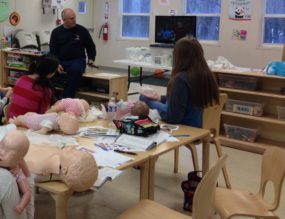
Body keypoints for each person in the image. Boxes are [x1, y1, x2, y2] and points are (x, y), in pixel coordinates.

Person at [139, 37, 219, 128]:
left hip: (187, 128)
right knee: (152, 100)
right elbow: (186, 100)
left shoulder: (180, 79)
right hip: (203, 128)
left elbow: (172, 117)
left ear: (179, 57)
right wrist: (160, 98)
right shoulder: (207, 75)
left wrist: (148, 101)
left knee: (143, 98)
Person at [49, 8, 97, 98]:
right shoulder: (56, 32)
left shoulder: (82, 31)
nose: (74, 20)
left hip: (77, 60)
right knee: (46, 70)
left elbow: (91, 46)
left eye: (74, 18)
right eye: (71, 18)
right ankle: (54, 97)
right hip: (61, 60)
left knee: (75, 70)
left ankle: (66, 99)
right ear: (64, 20)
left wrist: (91, 58)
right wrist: (57, 63)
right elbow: (53, 51)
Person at [8, 54, 59, 119]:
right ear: (49, 74)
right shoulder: (46, 90)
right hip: (25, 126)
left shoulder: (21, 79)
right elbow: (42, 116)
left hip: (11, 121)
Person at [0, 130, 33, 219]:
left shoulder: (17, 173)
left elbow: (27, 192)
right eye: (1, 145)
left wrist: (21, 205)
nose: (1, 152)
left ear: (19, 160)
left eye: (8, 151)